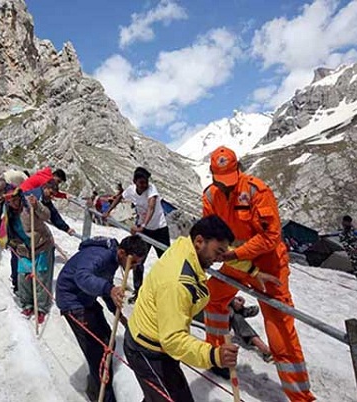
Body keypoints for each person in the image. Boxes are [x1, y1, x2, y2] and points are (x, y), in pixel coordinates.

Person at [202, 146, 315, 401]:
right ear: (212, 175)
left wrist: (234, 254)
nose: (227, 188)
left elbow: (270, 236)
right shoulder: (210, 196)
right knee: (213, 298)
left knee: (279, 328)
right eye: (222, 183)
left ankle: (300, 396)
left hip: (268, 264)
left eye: (230, 181)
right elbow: (210, 231)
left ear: (239, 168)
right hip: (238, 261)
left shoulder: (256, 190)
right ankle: (218, 358)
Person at [124, 216, 239, 402]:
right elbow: (172, 339)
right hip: (148, 349)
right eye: (218, 252)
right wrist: (213, 355)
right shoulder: (177, 283)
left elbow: (225, 251)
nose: (219, 259)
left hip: (156, 339)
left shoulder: (185, 247)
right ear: (199, 241)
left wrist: (253, 269)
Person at [56, 235, 150, 402]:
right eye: (134, 262)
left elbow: (105, 285)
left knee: (107, 340)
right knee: (97, 351)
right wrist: (109, 289)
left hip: (86, 298)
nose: (135, 267)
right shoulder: (100, 256)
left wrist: (117, 313)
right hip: (72, 301)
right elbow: (82, 277)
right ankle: (102, 396)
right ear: (122, 253)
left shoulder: (113, 258)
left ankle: (96, 383)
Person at [103, 167, 170, 304]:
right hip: (144, 230)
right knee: (138, 261)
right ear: (135, 182)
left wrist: (142, 226)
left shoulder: (152, 190)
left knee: (167, 261)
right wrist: (108, 211)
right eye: (141, 183)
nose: (144, 185)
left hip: (159, 229)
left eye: (145, 182)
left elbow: (151, 207)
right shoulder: (131, 190)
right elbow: (119, 198)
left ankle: (168, 292)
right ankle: (138, 292)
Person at [5, 189, 55, 324]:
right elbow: (5, 231)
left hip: (42, 245)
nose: (13, 203)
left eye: (15, 200)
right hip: (24, 249)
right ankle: (27, 304)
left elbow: (47, 215)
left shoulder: (30, 204)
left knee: (41, 276)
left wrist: (37, 206)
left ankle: (41, 308)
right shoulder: (8, 213)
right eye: (10, 201)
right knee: (23, 276)